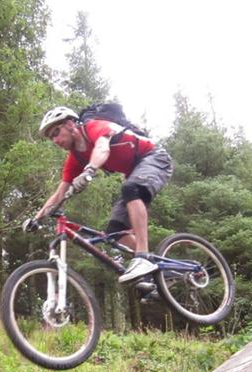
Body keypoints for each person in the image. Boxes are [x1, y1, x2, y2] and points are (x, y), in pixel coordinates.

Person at [32, 106, 173, 283]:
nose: (55, 140)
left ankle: (143, 257)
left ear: (69, 124)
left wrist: (89, 170)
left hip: (154, 157)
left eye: (56, 132)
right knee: (115, 232)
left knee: (130, 189)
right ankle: (155, 267)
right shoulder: (75, 158)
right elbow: (60, 192)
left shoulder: (93, 127)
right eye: (51, 137)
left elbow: (102, 148)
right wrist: (36, 218)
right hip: (135, 173)